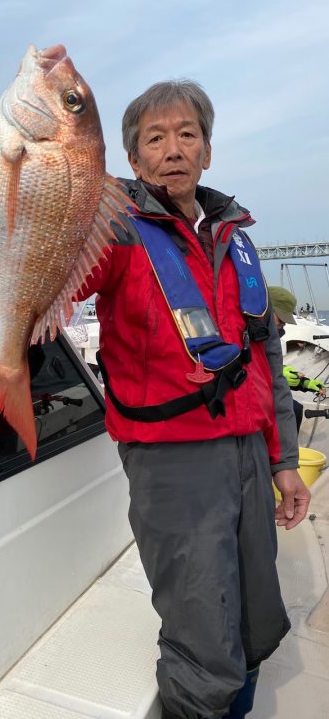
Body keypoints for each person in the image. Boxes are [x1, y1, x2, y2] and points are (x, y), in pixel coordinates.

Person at [77, 79, 310, 719]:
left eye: (187, 134)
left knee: (256, 611)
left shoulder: (235, 238)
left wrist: (284, 461)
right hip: (173, 461)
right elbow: (67, 275)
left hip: (249, 453)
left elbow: (266, 360)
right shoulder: (116, 231)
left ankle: (240, 707)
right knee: (201, 626)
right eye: (155, 138)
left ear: (207, 151)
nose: (173, 149)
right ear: (134, 159)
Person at [268, 285, 326, 431]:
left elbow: (271, 365)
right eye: (281, 319)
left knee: (295, 409)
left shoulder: (270, 338)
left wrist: (305, 383)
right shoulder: (244, 335)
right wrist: (275, 375)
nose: (283, 324)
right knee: (291, 409)